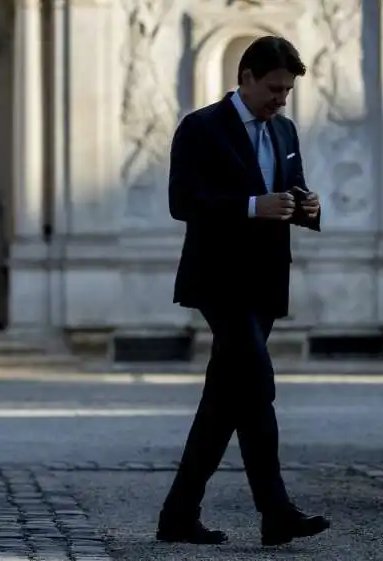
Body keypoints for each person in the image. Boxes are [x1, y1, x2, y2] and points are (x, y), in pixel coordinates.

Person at [157, 36, 330, 547]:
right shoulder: (201, 127)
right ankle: (275, 511)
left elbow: (291, 186)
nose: (282, 99)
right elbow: (182, 201)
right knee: (256, 384)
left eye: (288, 91)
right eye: (275, 88)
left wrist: (308, 207)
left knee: (224, 400)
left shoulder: (286, 129)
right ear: (247, 77)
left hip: (267, 279)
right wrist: (252, 207)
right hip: (218, 279)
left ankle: (177, 515)